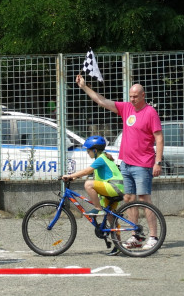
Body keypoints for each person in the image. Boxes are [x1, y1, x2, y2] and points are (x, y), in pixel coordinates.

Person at [76, 74, 164, 251]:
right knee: (129, 199)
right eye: (130, 96)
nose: (132, 99)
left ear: (143, 96)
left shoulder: (150, 112)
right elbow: (101, 101)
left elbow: (159, 137)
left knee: (144, 199)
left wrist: (158, 162)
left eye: (135, 96)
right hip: (126, 163)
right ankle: (135, 236)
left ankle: (153, 236)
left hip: (143, 163)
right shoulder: (126, 108)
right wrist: (84, 87)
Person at [62, 135, 124, 255]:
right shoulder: (104, 157)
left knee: (88, 185)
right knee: (111, 217)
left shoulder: (100, 159)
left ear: (95, 150)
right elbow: (93, 174)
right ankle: (118, 246)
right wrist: (75, 177)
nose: (87, 153)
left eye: (88, 150)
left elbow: (86, 171)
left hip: (114, 187)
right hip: (115, 188)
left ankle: (97, 209)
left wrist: (70, 176)